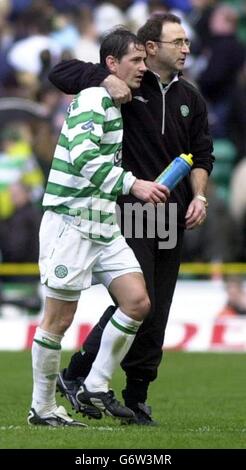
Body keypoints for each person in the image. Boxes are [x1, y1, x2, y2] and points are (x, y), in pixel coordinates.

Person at [49, 13, 214, 425]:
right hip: (132, 209)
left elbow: (203, 154)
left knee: (156, 310)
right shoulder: (123, 86)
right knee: (140, 302)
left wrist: (200, 197)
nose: (186, 49)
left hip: (172, 213)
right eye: (178, 42)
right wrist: (103, 78)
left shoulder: (190, 97)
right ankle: (80, 374)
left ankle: (131, 394)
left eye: (187, 42)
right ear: (151, 47)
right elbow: (60, 72)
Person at [28, 27, 169, 428]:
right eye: (135, 60)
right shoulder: (93, 97)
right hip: (71, 221)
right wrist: (132, 184)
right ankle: (42, 408)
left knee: (138, 302)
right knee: (58, 320)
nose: (142, 67)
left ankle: (94, 383)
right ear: (112, 65)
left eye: (145, 60)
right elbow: (83, 158)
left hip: (103, 221)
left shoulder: (116, 99)